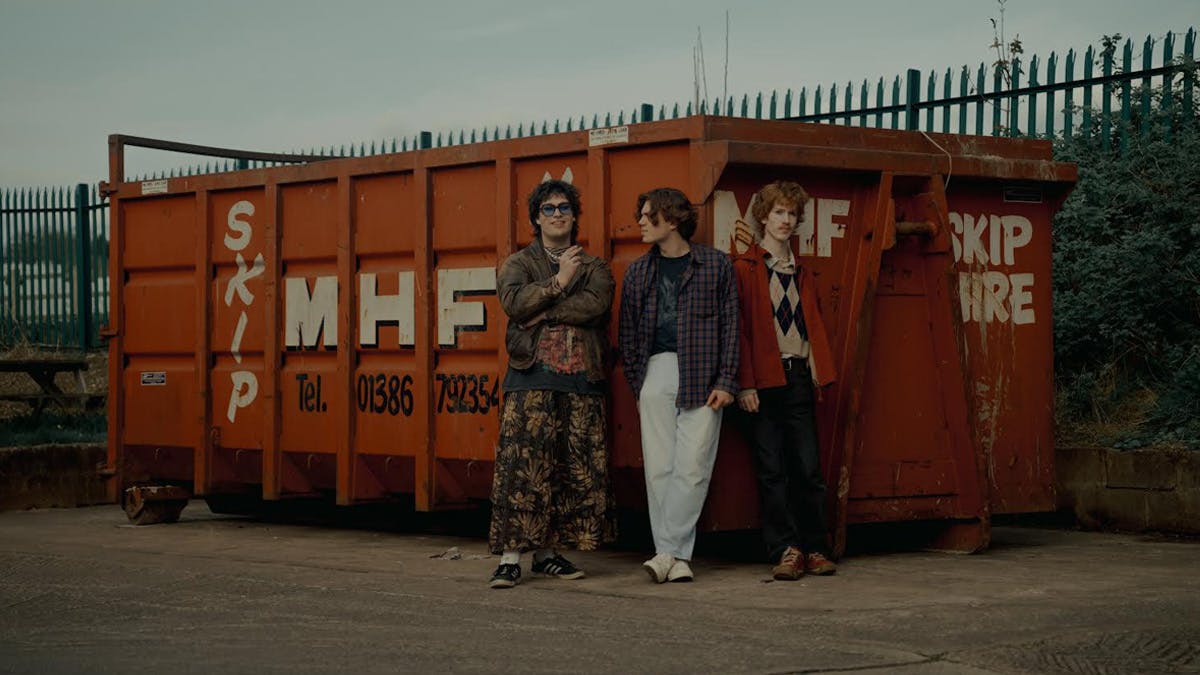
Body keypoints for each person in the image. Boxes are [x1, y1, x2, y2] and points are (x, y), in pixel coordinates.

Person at [487, 179, 617, 589]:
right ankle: (510, 558)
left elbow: (595, 306)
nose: (557, 214)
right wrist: (559, 281)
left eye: (564, 207)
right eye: (549, 208)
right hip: (530, 381)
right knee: (522, 471)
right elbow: (514, 303)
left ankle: (547, 555)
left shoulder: (595, 267)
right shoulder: (518, 263)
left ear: (575, 216)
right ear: (536, 218)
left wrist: (543, 310)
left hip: (581, 381)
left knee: (566, 471)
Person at [618, 187, 739, 584]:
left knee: (694, 467)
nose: (640, 221)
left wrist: (726, 380)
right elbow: (628, 335)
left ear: (671, 219)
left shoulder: (716, 265)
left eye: (648, 215)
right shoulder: (638, 271)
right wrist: (639, 383)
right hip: (656, 372)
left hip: (704, 375)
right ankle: (677, 557)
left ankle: (667, 553)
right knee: (659, 468)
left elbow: (732, 327)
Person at [732, 181, 838, 581]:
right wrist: (745, 383)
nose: (786, 220)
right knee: (771, 469)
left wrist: (818, 372)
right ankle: (786, 550)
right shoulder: (745, 268)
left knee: (808, 467)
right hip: (762, 380)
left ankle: (816, 547)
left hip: (797, 377)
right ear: (763, 216)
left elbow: (812, 327)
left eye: (792, 214)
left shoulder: (802, 272)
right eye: (778, 212)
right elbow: (739, 330)